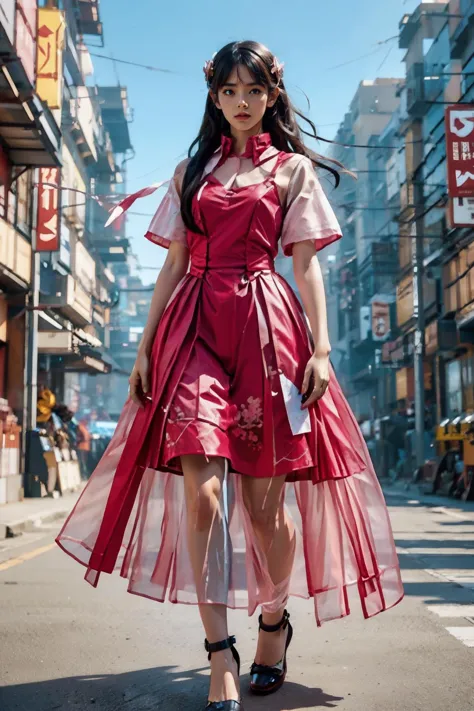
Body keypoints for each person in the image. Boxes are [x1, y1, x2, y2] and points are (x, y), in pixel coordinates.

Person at [56, 41, 404, 710]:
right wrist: (145, 349)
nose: (242, 101)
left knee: (267, 505)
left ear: (272, 96)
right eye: (230, 91)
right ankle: (219, 653)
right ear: (215, 98)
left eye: (254, 90)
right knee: (205, 494)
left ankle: (272, 621)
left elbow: (305, 266)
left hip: (267, 333)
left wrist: (322, 349)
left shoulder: (292, 171)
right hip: (193, 329)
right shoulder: (191, 171)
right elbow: (170, 264)